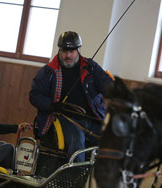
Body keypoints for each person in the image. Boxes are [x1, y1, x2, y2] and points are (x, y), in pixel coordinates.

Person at [29, 31, 114, 162]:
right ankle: (75, 177)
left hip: (92, 119)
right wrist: (51, 105)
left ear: (79, 49)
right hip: (65, 119)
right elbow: (34, 95)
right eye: (64, 51)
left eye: (72, 51)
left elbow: (107, 85)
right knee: (77, 142)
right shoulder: (48, 71)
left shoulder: (91, 67)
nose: (68, 55)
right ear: (59, 50)